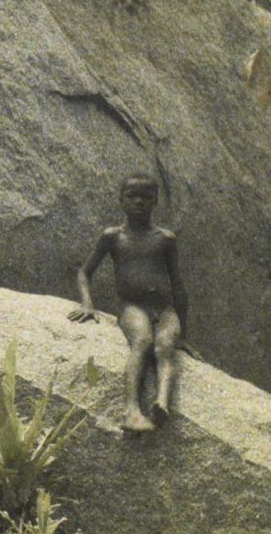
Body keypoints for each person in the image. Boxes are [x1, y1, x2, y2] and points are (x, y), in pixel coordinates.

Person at [69, 174, 187, 432]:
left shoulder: (165, 239)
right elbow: (84, 272)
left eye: (146, 197)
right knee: (142, 341)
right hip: (133, 307)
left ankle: (161, 403)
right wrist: (87, 304)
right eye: (132, 196)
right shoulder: (113, 236)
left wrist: (184, 334)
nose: (139, 202)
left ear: (155, 201)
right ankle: (131, 410)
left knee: (166, 346)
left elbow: (177, 284)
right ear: (121, 200)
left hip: (164, 309)